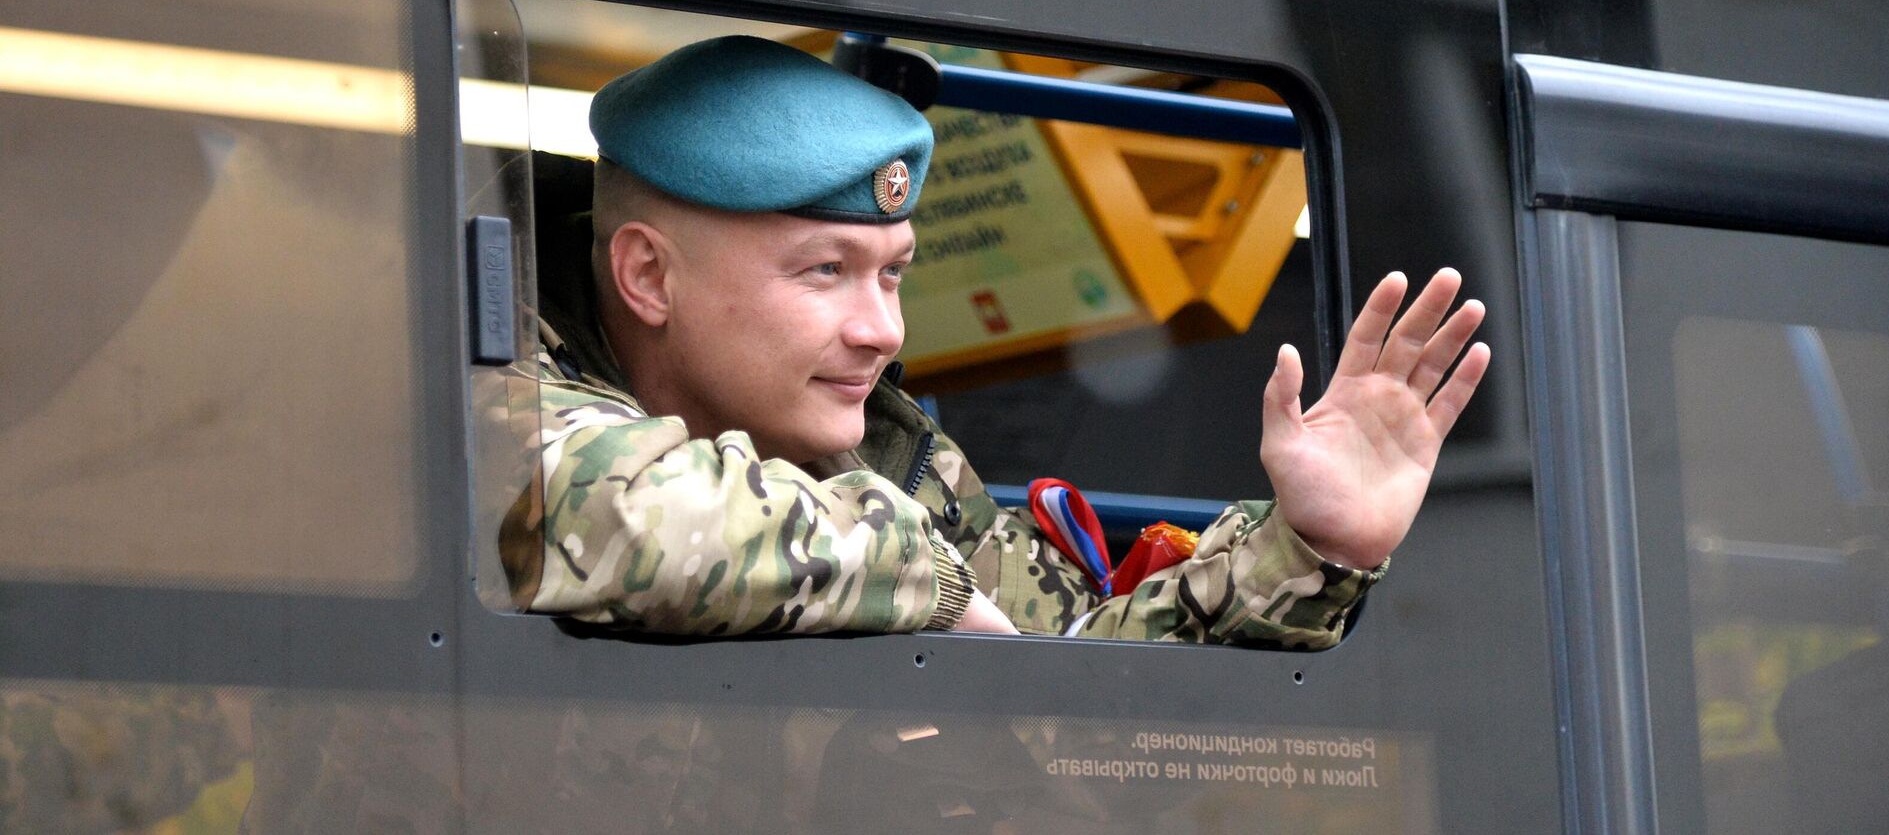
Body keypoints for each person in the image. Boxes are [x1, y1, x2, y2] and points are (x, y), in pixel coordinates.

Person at [498, 35, 1489, 644]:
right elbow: (602, 509)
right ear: (645, 274)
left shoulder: (888, 456)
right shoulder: (477, 347)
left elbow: (1070, 671)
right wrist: (911, 575)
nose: (881, 330)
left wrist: (1309, 550)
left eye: (893, 271)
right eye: (824, 270)